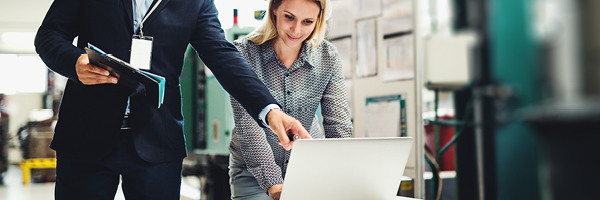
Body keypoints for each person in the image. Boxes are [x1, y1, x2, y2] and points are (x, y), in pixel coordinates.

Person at [34, 0, 311, 199]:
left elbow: (223, 57)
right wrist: (75, 63)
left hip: (156, 139)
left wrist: (271, 111)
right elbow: (48, 35)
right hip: (86, 134)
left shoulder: (197, 3)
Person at [227, 0, 353, 199]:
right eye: (289, 17)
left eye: (307, 22)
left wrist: (340, 175)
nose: (296, 30)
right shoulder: (243, 53)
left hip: (308, 167)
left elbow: (338, 125)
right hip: (252, 172)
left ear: (318, 20)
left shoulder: (328, 57)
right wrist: (275, 187)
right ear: (274, 8)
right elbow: (248, 127)